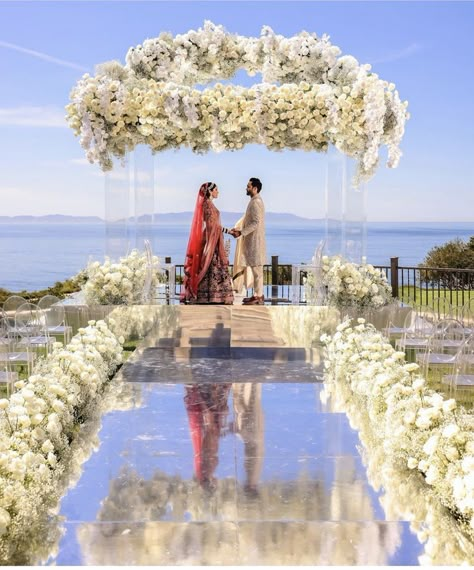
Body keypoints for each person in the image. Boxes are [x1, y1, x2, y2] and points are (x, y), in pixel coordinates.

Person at [180, 182, 234, 305]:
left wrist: (227, 231)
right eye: (216, 189)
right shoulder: (207, 205)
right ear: (210, 191)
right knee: (209, 265)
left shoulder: (209, 204)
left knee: (211, 265)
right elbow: (211, 225)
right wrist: (228, 231)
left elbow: (215, 225)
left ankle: (213, 295)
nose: (218, 192)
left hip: (213, 238)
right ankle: (209, 295)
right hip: (211, 240)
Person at [229, 178, 266, 305]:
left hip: (255, 242)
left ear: (255, 188)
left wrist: (241, 232)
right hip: (252, 241)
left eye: (248, 186)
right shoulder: (254, 201)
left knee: (257, 271)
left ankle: (258, 296)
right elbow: (248, 221)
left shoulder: (256, 202)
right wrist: (239, 229)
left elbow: (255, 223)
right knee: (256, 270)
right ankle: (257, 295)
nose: (246, 188)